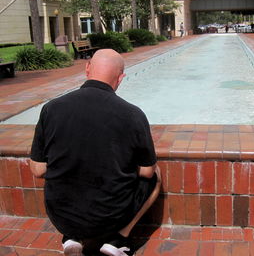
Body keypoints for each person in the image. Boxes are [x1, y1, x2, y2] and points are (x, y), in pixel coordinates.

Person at [30, 49, 161, 256]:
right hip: (110, 217)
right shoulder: (132, 114)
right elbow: (146, 172)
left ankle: (71, 237)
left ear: (87, 68)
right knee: (155, 176)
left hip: (60, 215)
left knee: (63, 171)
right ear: (121, 78)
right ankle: (118, 240)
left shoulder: (51, 109)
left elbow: (38, 170)